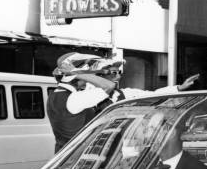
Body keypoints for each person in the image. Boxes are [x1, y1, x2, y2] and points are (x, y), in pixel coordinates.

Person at [48, 52, 199, 152]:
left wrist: (178, 88)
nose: (117, 76)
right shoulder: (81, 97)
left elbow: (151, 95)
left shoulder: (121, 94)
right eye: (112, 72)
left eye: (119, 73)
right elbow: (103, 87)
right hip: (81, 154)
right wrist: (78, 72)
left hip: (108, 151)